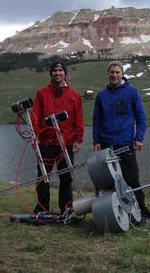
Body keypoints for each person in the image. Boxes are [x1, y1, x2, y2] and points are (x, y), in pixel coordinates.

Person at [93, 60, 150, 224]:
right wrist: (96, 141)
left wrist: (139, 138)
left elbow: (141, 117)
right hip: (105, 145)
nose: (114, 75)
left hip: (125, 144)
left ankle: (143, 212)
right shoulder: (101, 95)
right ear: (108, 74)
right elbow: (96, 120)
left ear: (122, 74)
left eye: (117, 72)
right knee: (108, 182)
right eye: (112, 72)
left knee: (132, 180)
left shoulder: (131, 92)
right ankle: (115, 214)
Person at [30, 60, 84, 215]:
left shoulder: (74, 95)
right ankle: (42, 209)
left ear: (65, 73)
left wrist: (78, 140)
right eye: (55, 70)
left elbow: (79, 119)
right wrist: (36, 137)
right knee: (42, 177)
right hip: (46, 142)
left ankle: (66, 209)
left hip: (66, 142)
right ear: (51, 73)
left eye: (60, 70)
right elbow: (35, 117)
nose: (58, 73)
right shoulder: (42, 93)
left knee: (66, 178)